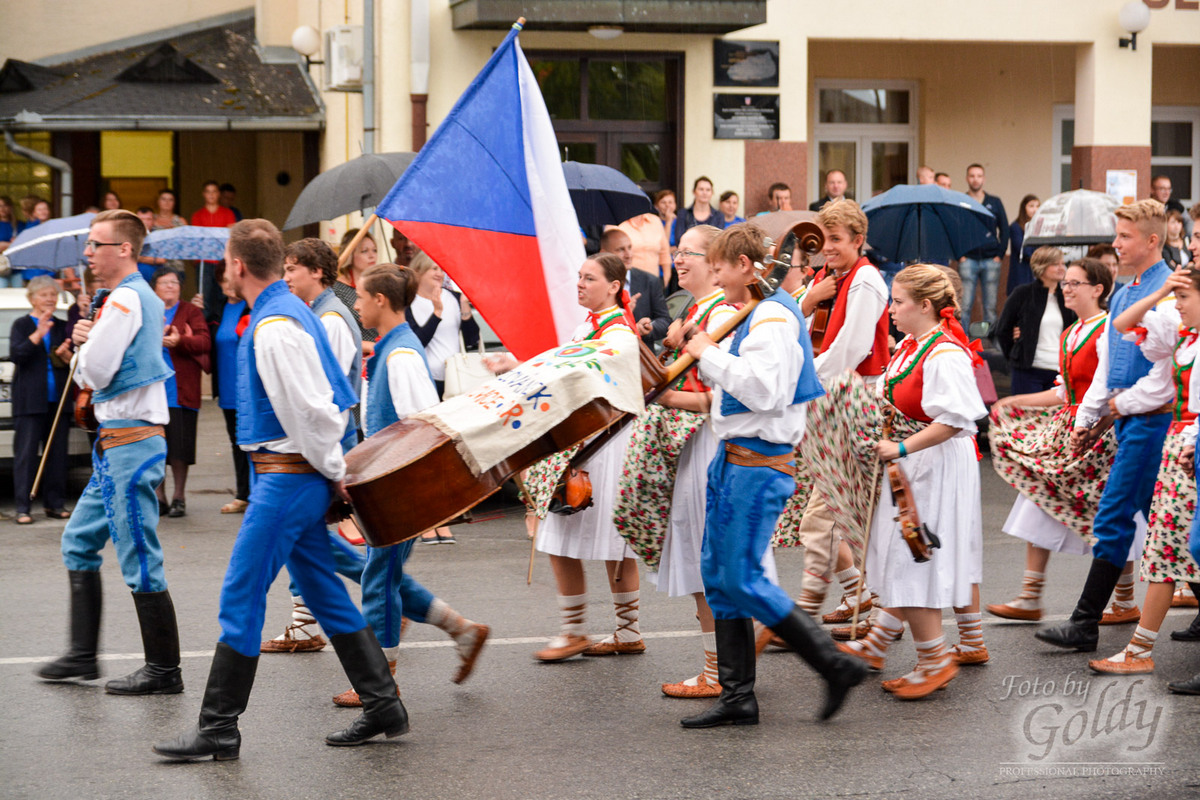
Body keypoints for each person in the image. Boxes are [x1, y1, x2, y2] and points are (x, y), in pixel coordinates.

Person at [153, 219, 406, 761]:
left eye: (226, 261)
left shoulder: (274, 324)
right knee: (324, 592)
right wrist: (330, 469)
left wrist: (333, 469)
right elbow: (321, 405)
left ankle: (219, 727)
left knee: (241, 594)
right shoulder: (287, 312)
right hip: (296, 473)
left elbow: (312, 411)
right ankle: (384, 705)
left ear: (238, 266)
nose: (225, 269)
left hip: (288, 476)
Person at [678, 222, 864, 728]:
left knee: (741, 577)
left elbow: (765, 392)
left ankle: (834, 664)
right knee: (719, 576)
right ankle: (738, 696)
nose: (713, 274)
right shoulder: (757, 315)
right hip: (737, 455)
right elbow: (744, 398)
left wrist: (704, 353)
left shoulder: (773, 321)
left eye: (718, 265)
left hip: (759, 464)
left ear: (743, 266)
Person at [36, 209, 182, 697]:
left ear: (124, 249)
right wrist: (87, 337)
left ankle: (164, 671)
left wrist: (84, 341)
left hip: (130, 442)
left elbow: (93, 371)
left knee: (140, 556)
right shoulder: (125, 298)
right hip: (118, 442)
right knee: (78, 542)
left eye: (96, 244)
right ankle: (82, 656)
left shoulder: (124, 299)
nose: (87, 253)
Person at [331, 262, 490, 704]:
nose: (356, 305)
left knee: (379, 579)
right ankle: (462, 631)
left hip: (397, 490)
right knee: (384, 574)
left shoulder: (400, 356)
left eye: (360, 298)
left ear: (380, 301)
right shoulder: (391, 349)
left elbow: (423, 428)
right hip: (389, 488)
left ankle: (381, 682)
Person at [837, 265, 988, 698]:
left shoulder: (944, 353)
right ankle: (885, 643)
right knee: (902, 558)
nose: (891, 309)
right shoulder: (910, 346)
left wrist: (901, 448)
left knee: (914, 557)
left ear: (925, 306)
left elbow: (958, 421)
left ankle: (933, 660)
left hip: (934, 465)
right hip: (913, 465)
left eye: (898, 302)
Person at [612, 224, 744, 697]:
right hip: (690, 445)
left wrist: (663, 396)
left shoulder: (720, 317)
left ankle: (719, 670)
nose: (679, 259)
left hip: (707, 443)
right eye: (678, 251)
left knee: (709, 563)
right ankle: (724, 664)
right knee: (705, 561)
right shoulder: (697, 310)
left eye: (690, 252)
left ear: (716, 262)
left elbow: (720, 398)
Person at [1037, 199, 1173, 653]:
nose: (1115, 244)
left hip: (1153, 421)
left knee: (1117, 514)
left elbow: (1171, 372)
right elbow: (1109, 361)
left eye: (1125, 236)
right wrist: (1088, 415)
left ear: (1152, 241)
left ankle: (1084, 623)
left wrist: (1119, 405)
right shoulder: (1126, 289)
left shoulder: (1168, 291)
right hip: (1128, 417)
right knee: (1167, 517)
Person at [502, 254, 648, 663]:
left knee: (581, 539)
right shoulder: (590, 324)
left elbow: (572, 374)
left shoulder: (619, 334)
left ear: (615, 286)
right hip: (588, 441)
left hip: (604, 444)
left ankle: (584, 632)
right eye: (579, 277)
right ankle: (615, 630)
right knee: (584, 539)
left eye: (589, 278)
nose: (580, 284)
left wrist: (522, 370)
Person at [987, 258, 1141, 622]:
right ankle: (1030, 595)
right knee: (1038, 496)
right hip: (1068, 427)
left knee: (1107, 513)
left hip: (1097, 433)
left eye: (1075, 283)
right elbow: (1065, 392)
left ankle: (1124, 599)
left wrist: (1098, 427)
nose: (1066, 288)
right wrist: (1015, 400)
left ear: (1098, 289)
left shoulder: (1107, 329)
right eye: (1065, 282)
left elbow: (1112, 387)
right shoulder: (1071, 333)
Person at [1088, 262, 1200, 675]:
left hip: (1189, 445)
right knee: (1166, 547)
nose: (1178, 305)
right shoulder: (1185, 340)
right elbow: (1123, 324)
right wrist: (1162, 293)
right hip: (1181, 446)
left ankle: (1138, 650)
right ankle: (1138, 649)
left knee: (1170, 547)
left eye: (1184, 298)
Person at [261, 237, 368, 651]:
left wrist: (325, 454)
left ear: (317, 272)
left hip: (330, 440)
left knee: (304, 535)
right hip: (320, 442)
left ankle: (395, 597)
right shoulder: (318, 314)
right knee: (306, 536)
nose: (286, 277)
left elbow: (327, 391)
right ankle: (306, 623)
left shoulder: (332, 320)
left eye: (292, 269)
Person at [789, 199, 890, 620]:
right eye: (824, 238)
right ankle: (865, 597)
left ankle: (806, 615)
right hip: (834, 399)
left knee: (823, 518)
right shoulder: (830, 278)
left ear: (858, 241)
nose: (826, 247)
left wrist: (803, 379)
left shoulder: (865, 281)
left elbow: (853, 347)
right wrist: (810, 298)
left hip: (856, 398)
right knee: (836, 515)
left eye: (835, 239)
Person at [10, 275, 72, 524]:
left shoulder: (63, 325)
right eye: (44, 295)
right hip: (29, 401)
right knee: (25, 455)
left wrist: (67, 355)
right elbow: (17, 354)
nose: (49, 299)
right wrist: (38, 333)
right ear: (32, 298)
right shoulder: (21, 325)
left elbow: (74, 364)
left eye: (53, 295)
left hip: (57, 401)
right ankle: (23, 507)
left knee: (57, 455)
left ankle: (54, 505)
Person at [150, 267, 210, 517]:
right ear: (155, 287)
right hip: (152, 390)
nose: (170, 287)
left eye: (174, 282)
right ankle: (159, 496)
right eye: (165, 283)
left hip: (181, 389)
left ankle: (179, 496)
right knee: (155, 447)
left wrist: (181, 341)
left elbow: (204, 342)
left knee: (180, 448)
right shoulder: (148, 311)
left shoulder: (190, 311)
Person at [995, 246, 1074, 394]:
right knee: (1027, 415)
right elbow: (1003, 329)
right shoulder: (1023, 293)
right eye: (1055, 264)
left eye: (1063, 263)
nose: (1061, 268)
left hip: (1059, 372)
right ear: (1042, 267)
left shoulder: (1067, 296)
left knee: (1056, 416)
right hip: (1028, 371)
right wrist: (1015, 355)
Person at [407, 250, 481, 399]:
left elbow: (472, 340)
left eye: (441, 269)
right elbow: (416, 343)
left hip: (457, 377)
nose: (440, 274)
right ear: (418, 272)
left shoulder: (454, 298)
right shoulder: (407, 303)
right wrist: (437, 313)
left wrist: (465, 307)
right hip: (425, 379)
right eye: (434, 269)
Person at [212, 264, 250, 515]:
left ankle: (255, 493)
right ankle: (243, 494)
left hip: (246, 386)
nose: (227, 285)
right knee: (235, 442)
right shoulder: (216, 310)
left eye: (230, 279)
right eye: (222, 281)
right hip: (226, 387)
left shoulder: (251, 307)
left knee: (252, 441)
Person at [599, 228, 671, 348]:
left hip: (641, 358)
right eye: (620, 250)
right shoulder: (597, 284)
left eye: (629, 248)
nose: (628, 255)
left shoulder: (649, 281)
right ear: (604, 253)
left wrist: (647, 328)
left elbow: (665, 321)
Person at [959, 163, 1009, 333]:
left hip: (991, 259)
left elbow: (1005, 229)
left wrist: (1000, 254)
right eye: (972, 175)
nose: (975, 179)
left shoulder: (994, 202)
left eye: (979, 175)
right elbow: (954, 228)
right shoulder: (961, 201)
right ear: (967, 178)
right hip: (968, 259)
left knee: (990, 307)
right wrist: (960, 255)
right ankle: (962, 343)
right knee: (964, 306)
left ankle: (992, 344)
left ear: (984, 179)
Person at [191, 180, 237, 324]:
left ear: (218, 194)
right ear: (203, 194)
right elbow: (198, 240)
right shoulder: (197, 215)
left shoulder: (228, 213)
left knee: (223, 296)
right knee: (204, 299)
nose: (211, 195)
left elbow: (229, 235)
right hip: (204, 262)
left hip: (222, 262)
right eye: (208, 191)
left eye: (214, 191)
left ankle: (221, 328)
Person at [333, 228, 380, 345]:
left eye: (374, 250)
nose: (372, 256)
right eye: (364, 251)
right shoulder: (336, 289)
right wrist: (368, 346)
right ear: (351, 254)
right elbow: (338, 336)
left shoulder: (379, 286)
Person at [618, 212, 673, 289]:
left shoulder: (655, 220)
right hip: (627, 283)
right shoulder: (618, 223)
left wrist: (666, 278)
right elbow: (612, 253)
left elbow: (664, 252)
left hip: (654, 282)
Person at [673, 176, 724, 245]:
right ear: (694, 192)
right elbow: (679, 239)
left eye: (708, 190)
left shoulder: (719, 216)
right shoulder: (683, 213)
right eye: (701, 189)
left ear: (712, 193)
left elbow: (719, 240)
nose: (704, 193)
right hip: (688, 253)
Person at [1007, 194, 1039, 291]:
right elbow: (1024, 250)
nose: (1035, 209)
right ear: (1024, 207)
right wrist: (1038, 252)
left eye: (1037, 206)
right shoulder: (1015, 227)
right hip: (1021, 270)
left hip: (1036, 270)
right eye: (1031, 206)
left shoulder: (1039, 227)